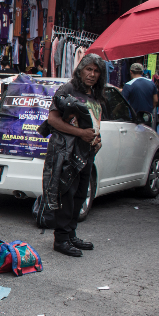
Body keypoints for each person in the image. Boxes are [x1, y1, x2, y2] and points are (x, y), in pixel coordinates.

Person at [43, 54, 104, 257]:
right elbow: (52, 120)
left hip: (87, 153)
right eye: (89, 69)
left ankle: (70, 234)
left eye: (96, 71)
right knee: (66, 195)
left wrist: (97, 138)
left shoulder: (95, 94)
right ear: (81, 70)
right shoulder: (68, 89)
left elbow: (93, 121)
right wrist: (81, 134)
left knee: (79, 195)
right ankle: (60, 239)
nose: (92, 74)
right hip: (68, 152)